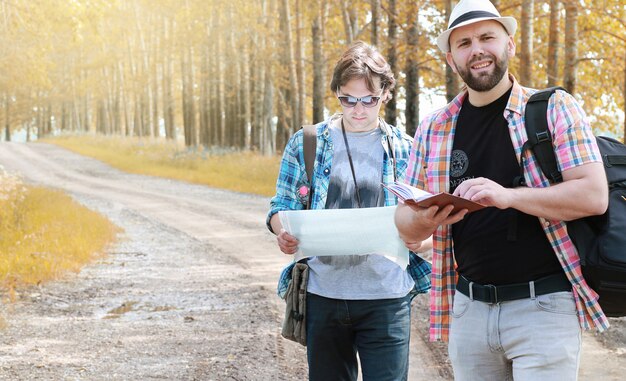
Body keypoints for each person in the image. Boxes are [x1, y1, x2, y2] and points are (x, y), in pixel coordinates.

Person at [394, 0, 609, 379]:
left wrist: (509, 197)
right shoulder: (434, 128)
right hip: (469, 311)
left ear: (509, 45)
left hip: (544, 306)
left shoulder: (554, 108)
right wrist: (423, 218)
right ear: (451, 60)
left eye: (487, 37)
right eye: (464, 43)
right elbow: (406, 226)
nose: (476, 50)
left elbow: (593, 195)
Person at [266, 41, 431, 381]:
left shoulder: (408, 149)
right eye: (348, 99)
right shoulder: (307, 142)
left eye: (368, 100)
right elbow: (281, 207)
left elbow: (431, 222)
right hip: (323, 296)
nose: (358, 109)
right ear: (337, 94)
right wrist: (282, 230)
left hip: (386, 298)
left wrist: (421, 241)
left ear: (385, 93)